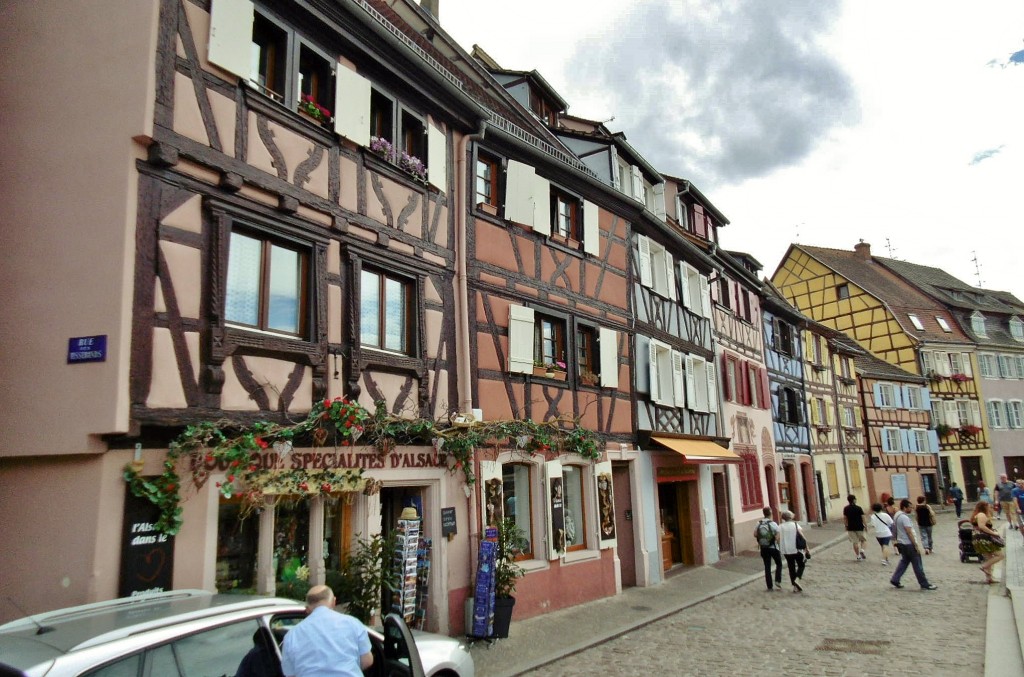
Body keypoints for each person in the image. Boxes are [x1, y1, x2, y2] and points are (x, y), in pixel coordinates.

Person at [280, 585, 373, 677]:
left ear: (307, 609)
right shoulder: (352, 623)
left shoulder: (291, 635)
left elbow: (290, 674)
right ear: (334, 602)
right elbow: (367, 661)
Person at [890, 499, 938, 591]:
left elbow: (895, 529)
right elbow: (909, 532)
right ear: (905, 507)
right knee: (917, 564)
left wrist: (895, 540)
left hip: (901, 543)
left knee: (904, 561)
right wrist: (915, 544)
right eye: (910, 507)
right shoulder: (904, 518)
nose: (911, 509)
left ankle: (895, 579)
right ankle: (924, 583)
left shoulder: (896, 515)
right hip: (908, 543)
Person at [971, 501, 1005, 584]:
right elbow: (982, 526)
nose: (991, 508)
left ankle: (989, 578)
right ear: (984, 507)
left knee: (989, 557)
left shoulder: (979, 515)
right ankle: (984, 566)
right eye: (989, 507)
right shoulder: (981, 515)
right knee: (1000, 555)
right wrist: (994, 533)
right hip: (984, 539)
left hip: (980, 538)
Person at [754, 507, 782, 591]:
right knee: (779, 564)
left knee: (767, 566)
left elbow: (755, 534)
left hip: (764, 548)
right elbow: (777, 537)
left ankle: (769, 586)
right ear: (771, 514)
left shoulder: (758, 523)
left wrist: (763, 539)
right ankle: (777, 580)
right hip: (773, 547)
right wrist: (773, 540)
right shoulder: (773, 524)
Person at [778, 510, 807, 592]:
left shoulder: (780, 526)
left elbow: (777, 538)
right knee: (801, 565)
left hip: (786, 550)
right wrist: (806, 548)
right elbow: (802, 537)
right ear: (790, 517)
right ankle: (797, 579)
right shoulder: (795, 525)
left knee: (791, 567)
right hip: (796, 549)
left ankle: (794, 586)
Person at [842, 494, 867, 561]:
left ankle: (858, 556)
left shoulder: (846, 508)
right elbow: (863, 517)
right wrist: (866, 525)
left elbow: (845, 518)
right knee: (863, 540)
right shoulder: (859, 508)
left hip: (851, 527)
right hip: (859, 526)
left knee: (855, 542)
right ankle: (862, 550)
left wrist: (846, 526)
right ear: (854, 500)